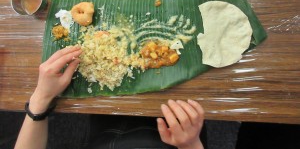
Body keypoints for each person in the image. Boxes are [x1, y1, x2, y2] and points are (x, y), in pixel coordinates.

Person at [14, 46, 205, 149]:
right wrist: (191, 145)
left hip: (104, 132)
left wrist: (40, 98)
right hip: (176, 137)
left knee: (104, 115)